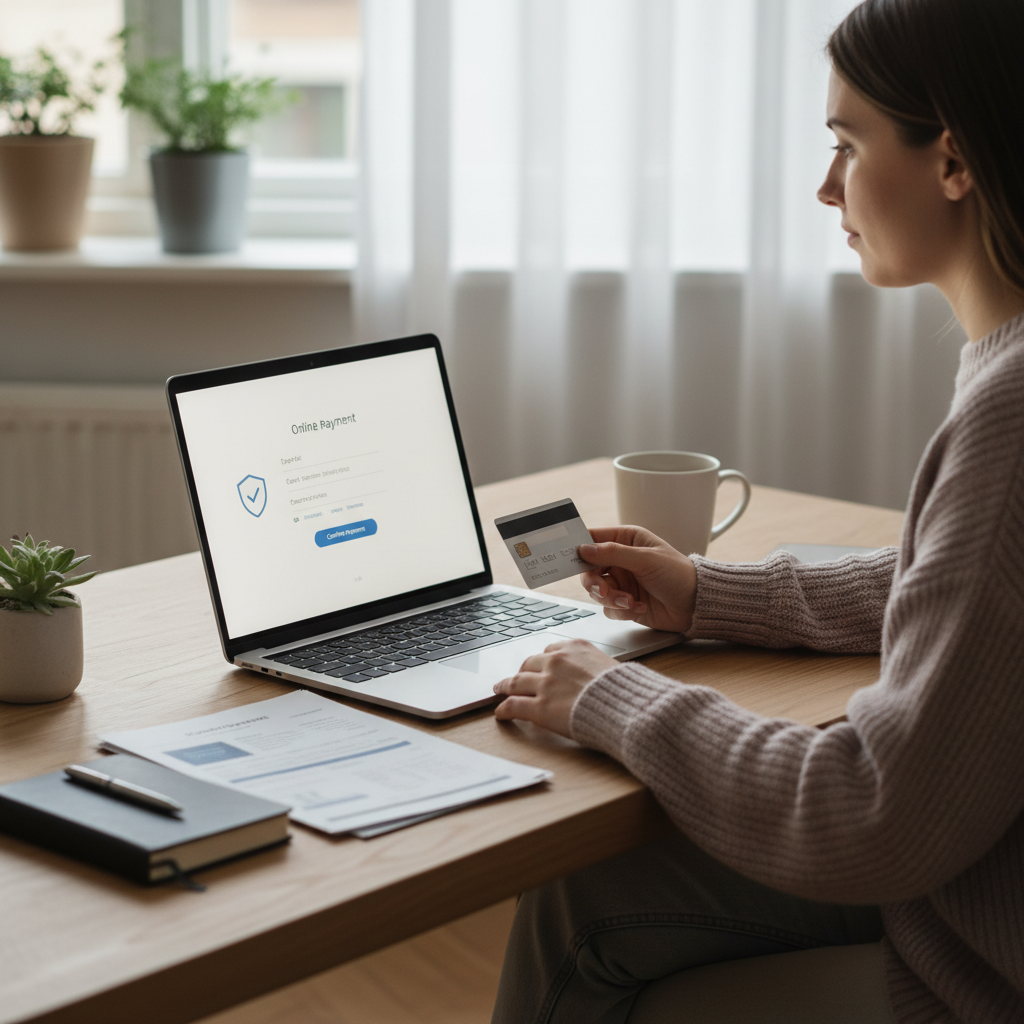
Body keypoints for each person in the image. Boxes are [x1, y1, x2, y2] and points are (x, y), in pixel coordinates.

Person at [489, 0, 1024, 1021]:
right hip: (982, 883)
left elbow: (871, 814)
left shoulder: (1010, 417)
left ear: (951, 161)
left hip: (979, 969)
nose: (825, 187)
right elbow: (962, 591)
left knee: (588, 916)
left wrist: (609, 697)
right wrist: (708, 593)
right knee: (580, 888)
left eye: (846, 143)